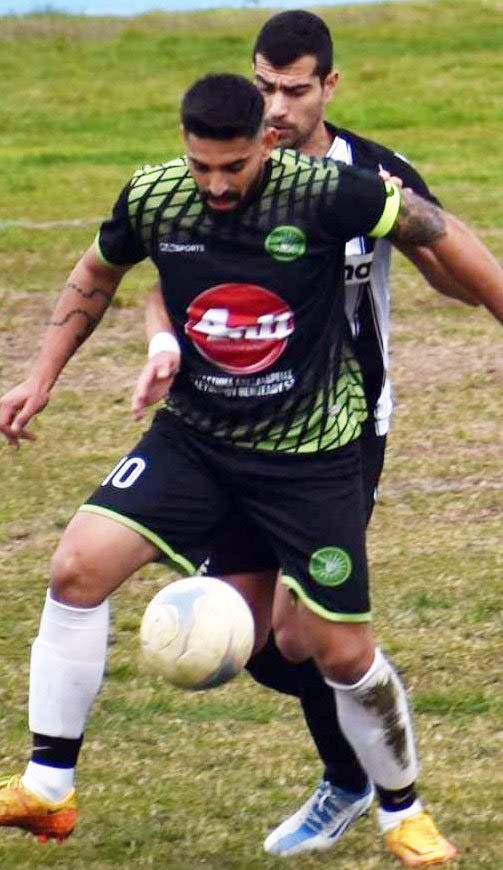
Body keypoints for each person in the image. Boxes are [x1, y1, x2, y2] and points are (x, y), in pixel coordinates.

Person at [1, 73, 502, 867]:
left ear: (265, 142)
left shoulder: (325, 192)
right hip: (196, 438)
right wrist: (40, 376)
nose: (216, 185)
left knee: (338, 654)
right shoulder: (156, 196)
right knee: (76, 568)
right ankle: (47, 786)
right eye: (201, 165)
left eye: (232, 166)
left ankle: (402, 811)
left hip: (309, 453)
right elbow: (97, 272)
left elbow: (436, 231)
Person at [133, 11, 480, 863]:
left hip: (343, 430)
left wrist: (419, 240)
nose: (277, 107)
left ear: (329, 85)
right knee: (252, 636)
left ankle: (356, 771)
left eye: (293, 90)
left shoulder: (370, 174)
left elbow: (454, 273)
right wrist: (163, 340)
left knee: (304, 635)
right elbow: (164, 275)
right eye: (264, 87)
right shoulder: (232, 170)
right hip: (237, 425)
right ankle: (356, 736)